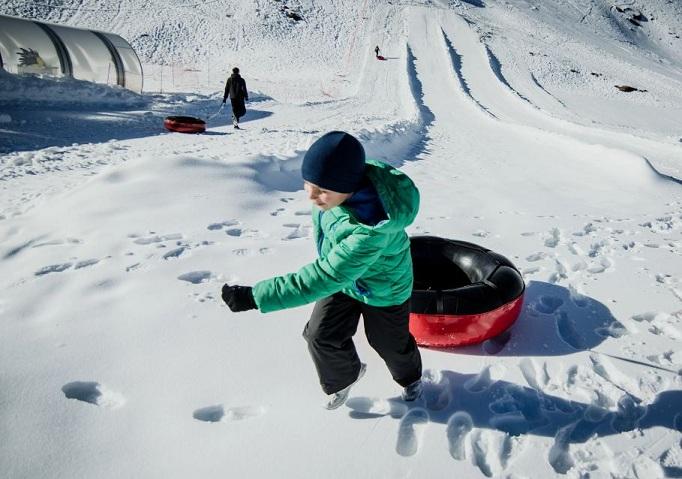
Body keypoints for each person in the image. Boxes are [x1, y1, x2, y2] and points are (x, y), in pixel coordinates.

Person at [222, 131, 423, 410]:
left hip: (383, 288)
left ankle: (411, 378)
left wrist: (255, 296)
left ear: (349, 186)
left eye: (322, 189)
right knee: (320, 335)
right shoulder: (333, 196)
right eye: (308, 184)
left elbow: (322, 277)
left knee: (388, 344)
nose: (313, 196)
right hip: (345, 279)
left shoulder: (370, 230)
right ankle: (345, 376)